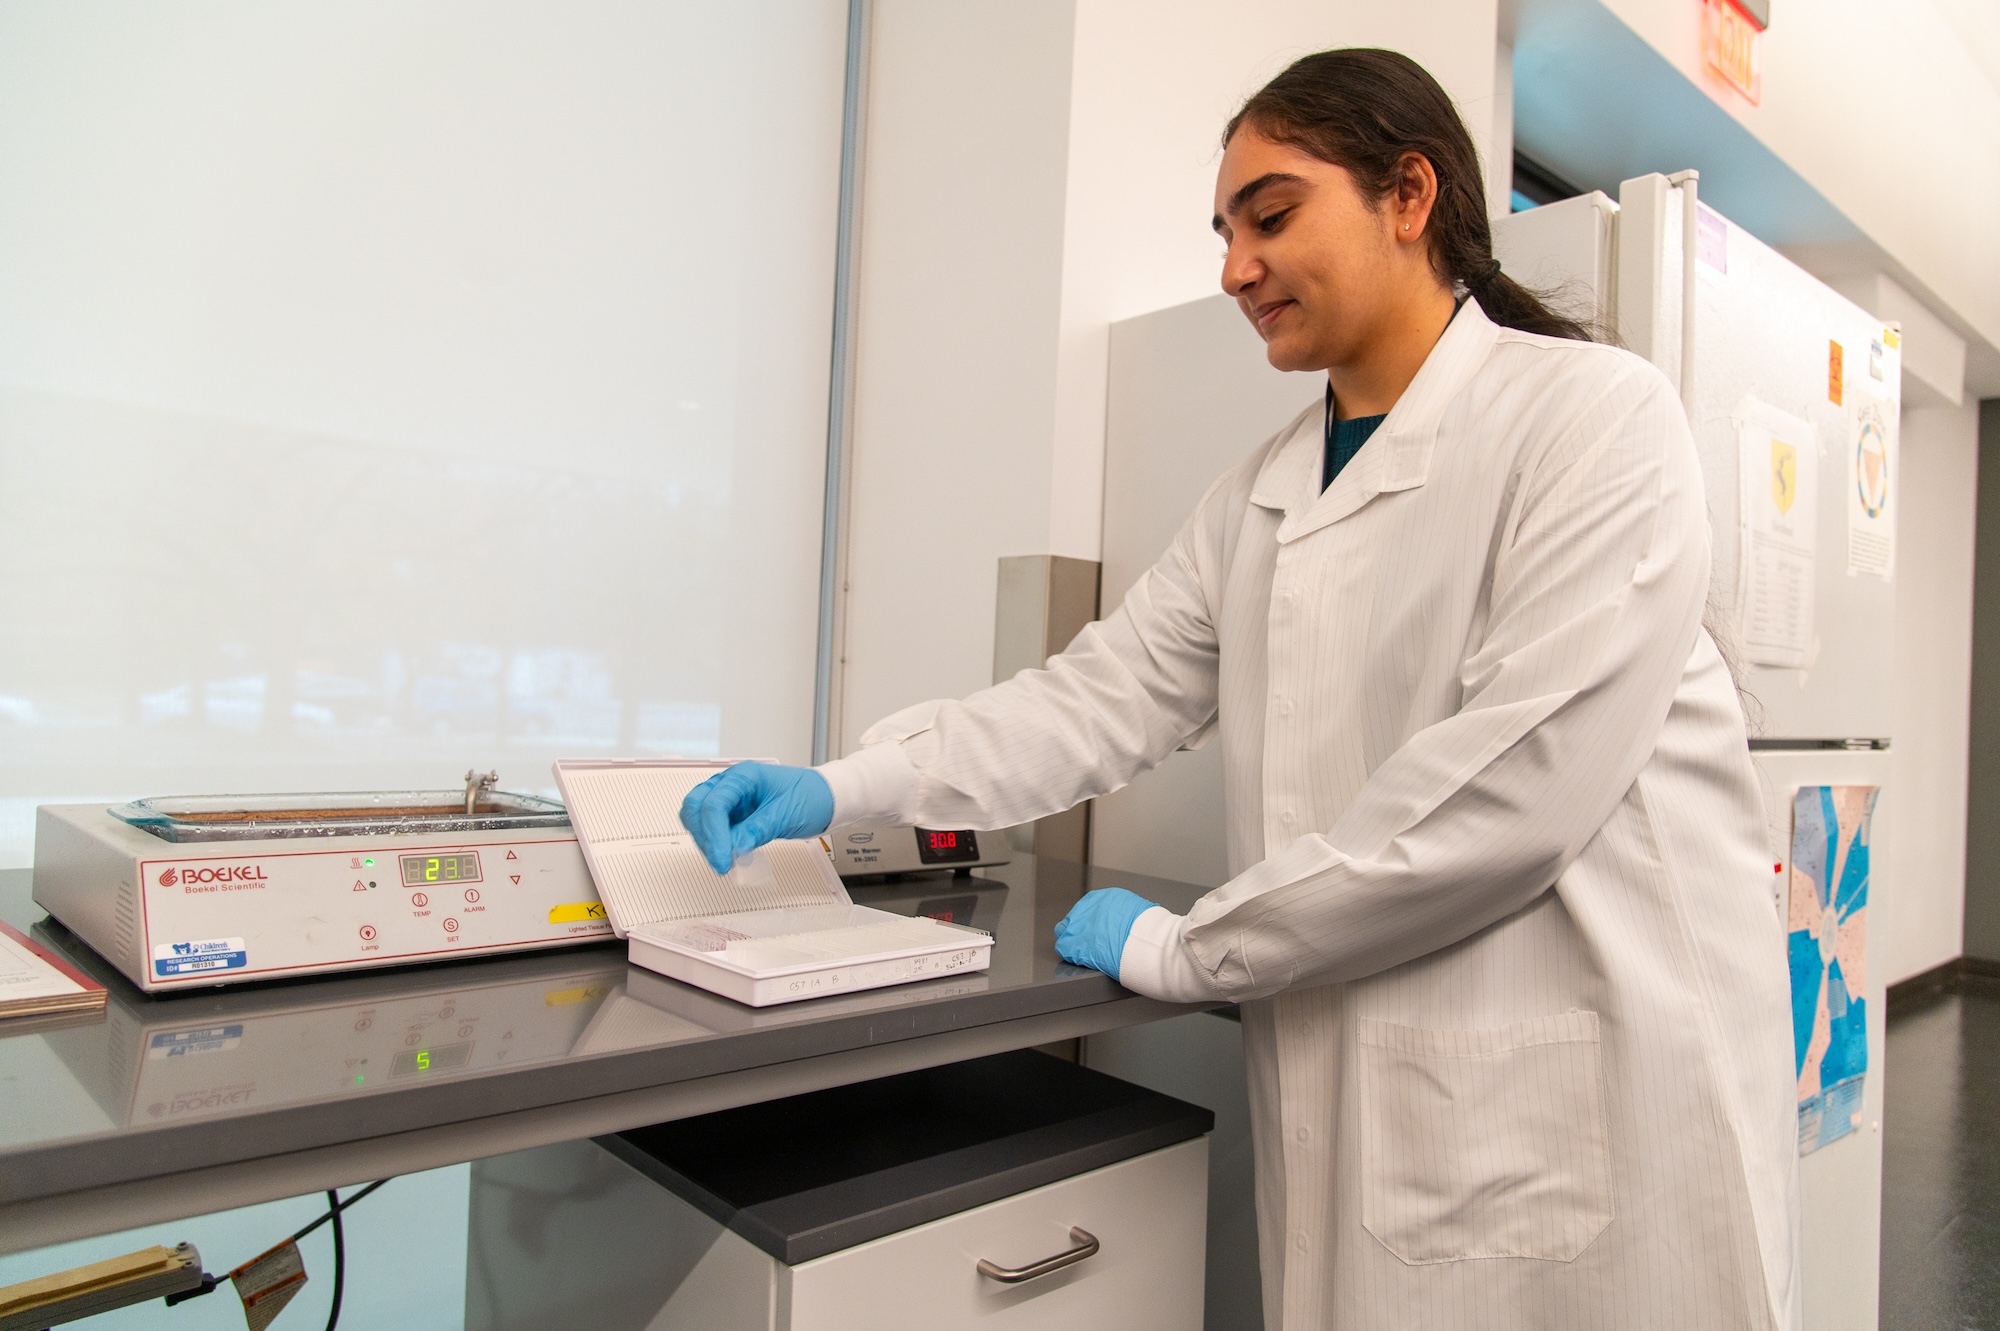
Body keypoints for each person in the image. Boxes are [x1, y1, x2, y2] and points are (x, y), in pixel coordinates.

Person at [680, 48, 1797, 1331]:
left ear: (1407, 194)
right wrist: (843, 783)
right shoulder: (1260, 498)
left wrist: (1186, 946)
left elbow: (1510, 792)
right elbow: (1094, 696)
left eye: (1269, 215)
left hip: (1594, 1090)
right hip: (1376, 1079)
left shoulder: (1590, 421)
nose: (1231, 268)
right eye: (1222, 231)